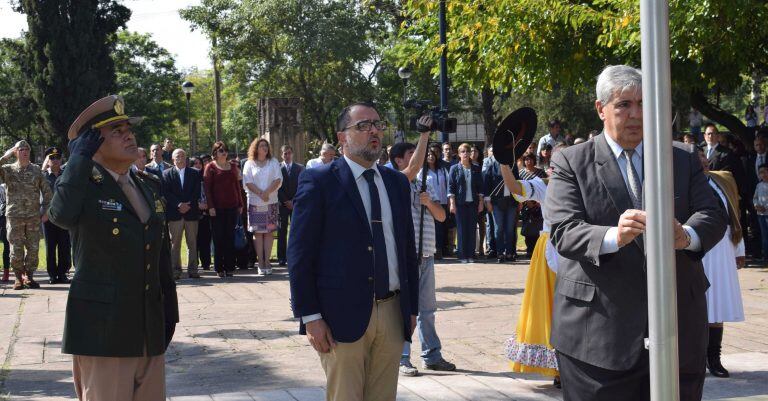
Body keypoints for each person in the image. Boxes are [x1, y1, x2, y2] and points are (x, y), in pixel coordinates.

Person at [545, 65, 726, 401]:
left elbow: (713, 214)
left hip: (678, 334)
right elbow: (564, 231)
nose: (636, 114)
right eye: (624, 104)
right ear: (601, 109)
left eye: (643, 104)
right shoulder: (570, 161)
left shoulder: (681, 158)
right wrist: (615, 235)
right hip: (597, 339)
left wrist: (686, 235)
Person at [48, 95, 178, 400]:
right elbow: (60, 215)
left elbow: (159, 256)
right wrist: (78, 161)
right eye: (116, 131)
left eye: (128, 129)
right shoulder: (83, 187)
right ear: (93, 144)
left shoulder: (147, 186)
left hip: (148, 328)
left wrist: (169, 311)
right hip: (103, 334)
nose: (129, 135)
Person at [288, 102, 418, 401]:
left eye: (377, 124)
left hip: (392, 312)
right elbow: (299, 255)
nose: (373, 130)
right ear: (342, 136)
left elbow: (406, 249)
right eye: (362, 126)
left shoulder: (396, 182)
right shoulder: (319, 181)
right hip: (339, 316)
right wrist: (310, 316)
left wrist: (411, 308)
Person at [388, 132, 455, 377]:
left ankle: (432, 355)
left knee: (428, 309)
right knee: (406, 309)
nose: (418, 159)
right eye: (411, 155)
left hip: (426, 254)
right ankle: (402, 358)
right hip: (408, 256)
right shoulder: (396, 182)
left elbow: (441, 216)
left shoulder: (420, 184)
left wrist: (428, 202)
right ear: (398, 160)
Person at [500, 162, 561, 386]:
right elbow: (515, 187)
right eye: (553, 166)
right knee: (549, 306)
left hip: (580, 246)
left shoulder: (584, 181)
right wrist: (504, 163)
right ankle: (557, 367)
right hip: (552, 248)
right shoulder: (545, 185)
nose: (555, 170)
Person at [695, 147, 745, 378]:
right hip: (697, 249)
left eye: (704, 157)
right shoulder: (682, 183)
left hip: (722, 247)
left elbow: (734, 215)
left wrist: (739, 249)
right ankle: (695, 359)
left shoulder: (721, 181)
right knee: (698, 307)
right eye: (698, 159)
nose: (704, 161)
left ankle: (714, 359)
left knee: (719, 306)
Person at [0, 140, 53, 290]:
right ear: (16, 152)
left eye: (27, 149)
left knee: (33, 248)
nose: (24, 152)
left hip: (33, 217)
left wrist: (47, 212)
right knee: (15, 248)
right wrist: (7, 154)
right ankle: (18, 278)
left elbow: (47, 193)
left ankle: (29, 277)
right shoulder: (8, 170)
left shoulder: (36, 170)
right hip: (14, 216)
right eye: (21, 149)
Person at [242, 138, 282, 275]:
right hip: (255, 203)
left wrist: (267, 193)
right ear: (256, 148)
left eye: (266, 145)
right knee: (258, 233)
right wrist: (260, 193)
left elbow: (278, 179)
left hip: (271, 202)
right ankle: (260, 262)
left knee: (269, 232)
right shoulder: (249, 163)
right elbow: (247, 181)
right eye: (261, 145)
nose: (264, 147)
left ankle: (267, 262)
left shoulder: (274, 162)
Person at [204, 141, 244, 278]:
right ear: (215, 153)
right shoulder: (210, 167)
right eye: (221, 150)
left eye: (225, 150)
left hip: (232, 207)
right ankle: (219, 268)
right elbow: (207, 189)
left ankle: (230, 267)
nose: (224, 152)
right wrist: (211, 207)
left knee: (230, 238)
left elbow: (237, 187)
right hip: (217, 208)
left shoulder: (233, 166)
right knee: (218, 238)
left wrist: (240, 204)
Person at [162, 148, 202, 280]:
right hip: (175, 214)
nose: (180, 158)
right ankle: (175, 271)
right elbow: (166, 193)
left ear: (186, 158)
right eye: (177, 156)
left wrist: (187, 205)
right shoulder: (166, 174)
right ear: (173, 160)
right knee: (175, 244)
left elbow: (196, 192)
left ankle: (193, 270)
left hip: (191, 213)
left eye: (183, 156)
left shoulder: (195, 173)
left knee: (192, 243)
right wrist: (179, 205)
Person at [448, 143, 483, 263]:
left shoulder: (476, 169)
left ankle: (471, 255)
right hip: (460, 203)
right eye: (463, 151)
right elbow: (451, 187)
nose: (465, 154)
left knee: (472, 229)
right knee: (462, 230)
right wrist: (452, 203)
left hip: (473, 203)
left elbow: (480, 188)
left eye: (467, 151)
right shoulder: (454, 168)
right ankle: (462, 255)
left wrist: (481, 203)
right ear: (459, 154)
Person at [41, 146, 72, 284]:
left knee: (65, 246)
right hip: (48, 217)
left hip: (64, 216)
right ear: (47, 160)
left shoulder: (67, 174)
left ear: (61, 159)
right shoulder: (42, 176)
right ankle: (52, 275)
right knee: (51, 247)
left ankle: (63, 274)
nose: (55, 160)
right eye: (51, 158)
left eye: (57, 157)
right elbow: (36, 196)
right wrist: (41, 214)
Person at [483, 146, 518, 263]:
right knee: (499, 229)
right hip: (497, 202)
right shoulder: (491, 165)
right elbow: (486, 185)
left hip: (511, 202)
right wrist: (487, 201)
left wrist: (520, 201)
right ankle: (500, 253)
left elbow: (518, 182)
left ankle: (509, 253)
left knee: (509, 229)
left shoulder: (512, 164)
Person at [277, 144, 304, 267]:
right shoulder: (277, 168)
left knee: (296, 232)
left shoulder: (300, 168)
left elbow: (302, 186)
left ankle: (295, 256)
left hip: (296, 204)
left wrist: (293, 201)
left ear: (292, 153)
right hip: (282, 205)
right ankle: (281, 258)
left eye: (289, 153)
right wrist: (285, 201)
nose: (287, 156)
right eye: (285, 154)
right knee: (282, 232)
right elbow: (277, 187)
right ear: (281, 155)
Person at [196, 154, 212, 270]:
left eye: (199, 163)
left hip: (206, 213)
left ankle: (206, 263)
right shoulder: (188, 177)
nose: (198, 166)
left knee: (205, 240)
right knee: (193, 241)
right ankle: (194, 263)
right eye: (195, 163)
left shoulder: (206, 177)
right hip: (192, 213)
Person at [0, 184, 8, 282]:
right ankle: (6, 272)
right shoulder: (2, 187)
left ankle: (21, 273)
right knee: (6, 246)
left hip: (16, 217)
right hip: (3, 218)